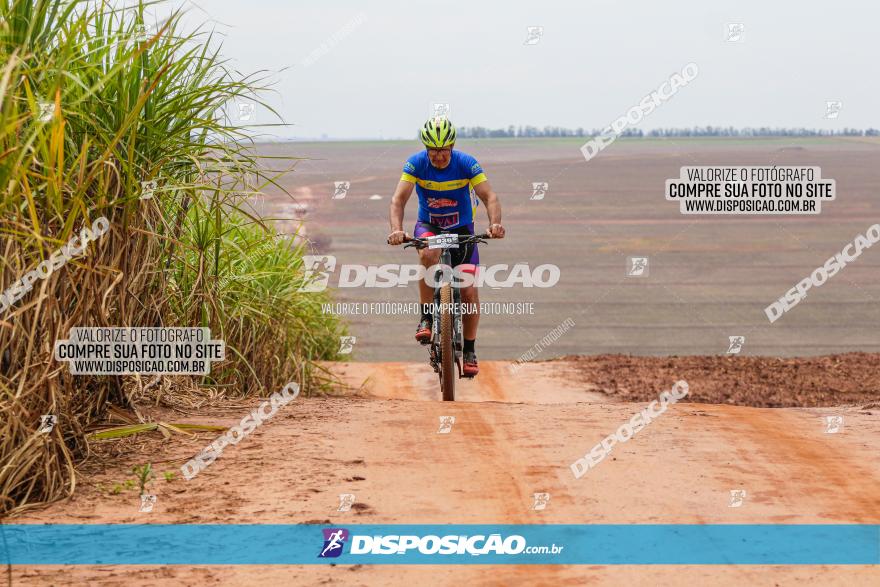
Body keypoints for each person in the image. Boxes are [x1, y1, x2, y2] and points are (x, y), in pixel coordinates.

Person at [387, 117, 505, 377]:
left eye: (443, 150)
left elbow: (489, 196)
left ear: (452, 146)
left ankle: (471, 349)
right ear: (425, 148)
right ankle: (427, 317)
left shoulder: (466, 163)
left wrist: (495, 224)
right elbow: (398, 200)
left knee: (469, 291)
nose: (439, 156)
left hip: (462, 228)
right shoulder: (416, 163)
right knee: (428, 254)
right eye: (433, 150)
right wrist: (396, 230)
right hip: (429, 225)